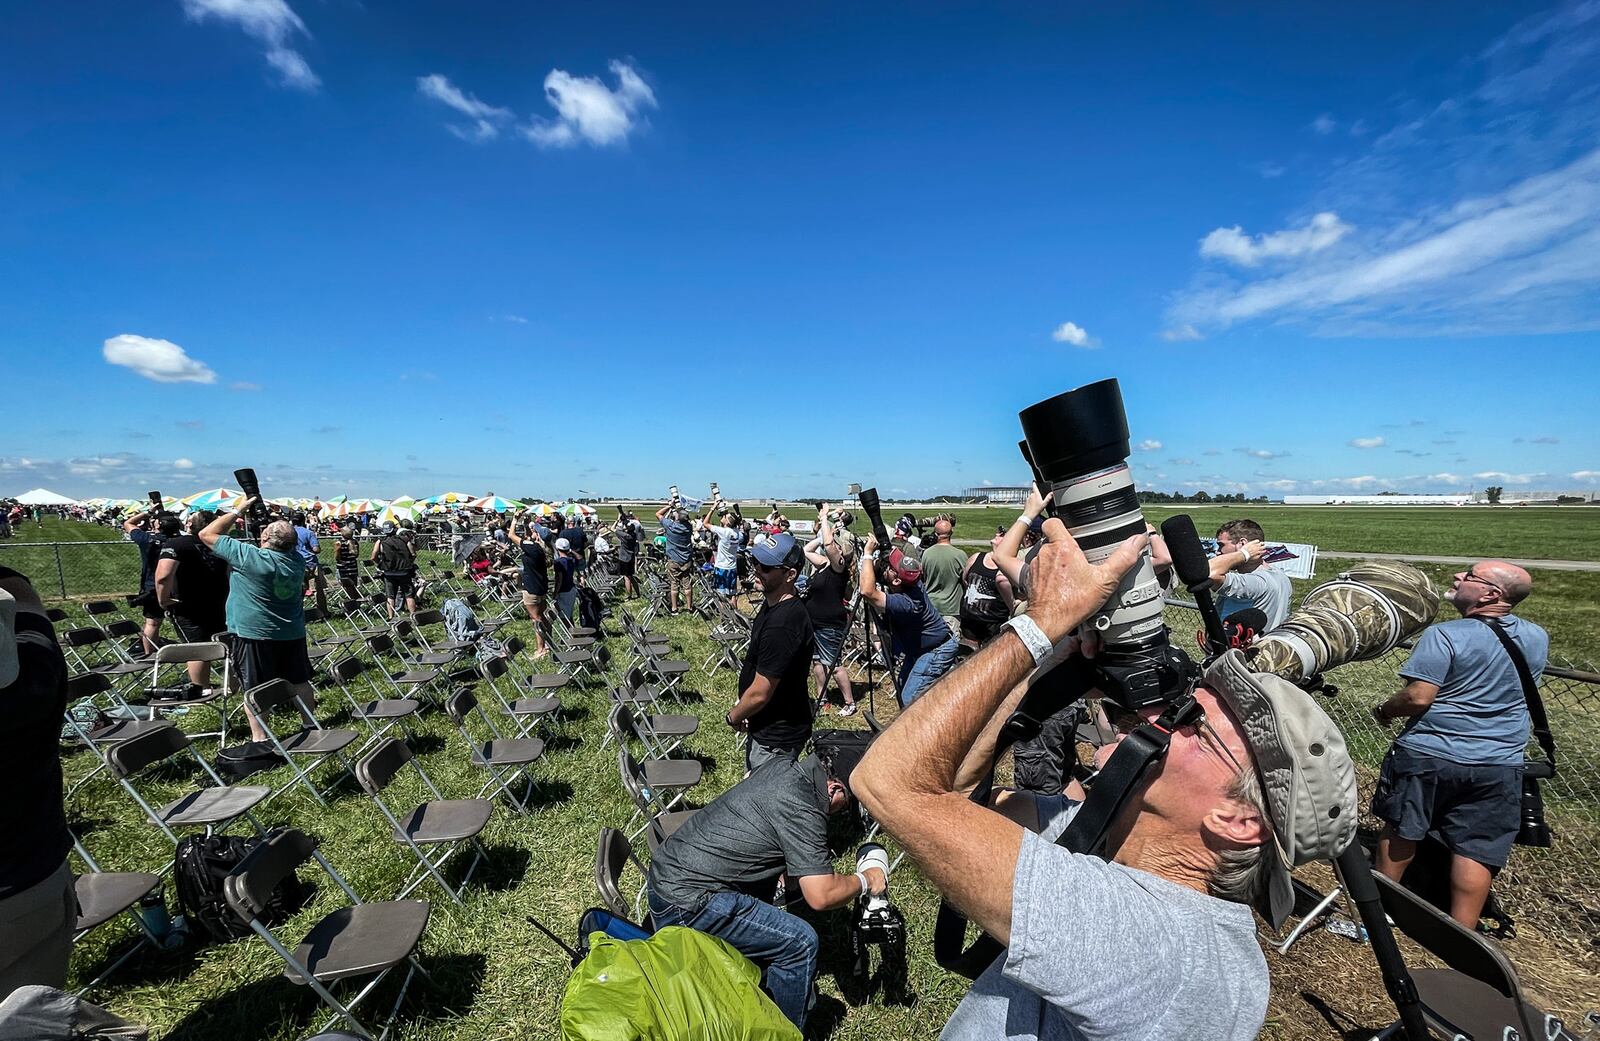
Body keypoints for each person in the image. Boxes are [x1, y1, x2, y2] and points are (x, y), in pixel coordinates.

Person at [850, 518, 1359, 1041]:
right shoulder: (1109, 835)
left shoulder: (1163, 948)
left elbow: (890, 783)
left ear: (1236, 820)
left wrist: (1039, 623)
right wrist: (1049, 670)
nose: (1156, 717)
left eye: (1191, 721)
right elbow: (956, 795)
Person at [645, 745, 886, 1029]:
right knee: (800, 942)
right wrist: (866, 880)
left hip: (669, 874)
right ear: (833, 787)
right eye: (847, 803)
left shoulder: (784, 766)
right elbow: (822, 895)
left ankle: (759, 990)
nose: (843, 812)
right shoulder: (803, 806)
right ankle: (783, 1032)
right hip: (686, 904)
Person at [1371, 560, 1549, 928]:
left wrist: (1385, 708)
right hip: (1500, 760)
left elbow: (1418, 697)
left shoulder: (1445, 635)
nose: (1457, 578)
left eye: (1468, 576)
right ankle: (1461, 934)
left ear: (1490, 594)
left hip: (1432, 752)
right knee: (1476, 848)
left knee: (1403, 829)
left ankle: (1382, 912)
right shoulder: (1536, 636)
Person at [0, 566, 74, 995]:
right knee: (32, 1012)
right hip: (28, 879)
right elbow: (29, 615)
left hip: (24, 881)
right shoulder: (33, 686)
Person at [199, 501, 316, 742]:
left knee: (254, 687)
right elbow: (282, 542)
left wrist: (239, 510)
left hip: (254, 633)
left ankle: (260, 737)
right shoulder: (296, 561)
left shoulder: (250, 558)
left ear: (263, 539)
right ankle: (309, 724)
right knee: (299, 680)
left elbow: (206, 533)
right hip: (291, 631)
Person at [727, 532, 816, 768]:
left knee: (763, 798)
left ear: (790, 575)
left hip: (776, 737)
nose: (756, 569)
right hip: (766, 723)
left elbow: (760, 693)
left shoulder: (783, 624)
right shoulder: (773, 605)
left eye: (765, 566)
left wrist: (734, 715)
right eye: (755, 562)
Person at [859, 534, 957, 707]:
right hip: (919, 649)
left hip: (936, 649)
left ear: (897, 580)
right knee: (903, 687)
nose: (886, 566)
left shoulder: (908, 603)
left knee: (909, 699)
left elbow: (867, 591)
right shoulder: (911, 580)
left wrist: (867, 553)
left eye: (889, 567)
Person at [153, 511, 230, 695]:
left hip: (188, 605)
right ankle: (232, 685)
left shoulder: (176, 544)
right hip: (221, 601)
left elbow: (163, 576)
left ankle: (202, 690)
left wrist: (163, 600)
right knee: (225, 645)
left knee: (196, 649)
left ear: (189, 525)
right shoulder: (221, 545)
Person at [803, 504, 857, 716]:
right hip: (815, 622)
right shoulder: (826, 563)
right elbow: (807, 550)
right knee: (817, 662)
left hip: (829, 624)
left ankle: (849, 702)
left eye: (835, 544)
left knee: (834, 664)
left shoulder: (839, 567)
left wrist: (824, 518)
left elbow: (827, 543)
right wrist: (827, 532)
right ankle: (822, 699)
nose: (831, 544)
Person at [1206, 519, 1291, 630]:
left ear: (1243, 544)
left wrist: (1243, 554)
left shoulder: (1256, 581)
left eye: (1221, 545)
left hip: (1242, 646)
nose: (1218, 551)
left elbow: (1208, 572)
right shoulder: (1280, 575)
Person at [123, 508, 178, 654]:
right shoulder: (180, 542)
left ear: (158, 524)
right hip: (177, 587)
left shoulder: (146, 539)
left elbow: (128, 523)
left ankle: (150, 655)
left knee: (152, 623)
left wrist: (148, 512)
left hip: (152, 587)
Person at [959, 525, 1017, 647]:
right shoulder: (977, 557)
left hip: (992, 624)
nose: (997, 534)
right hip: (969, 621)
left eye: (1002, 535)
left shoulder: (1009, 567)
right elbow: (965, 580)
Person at [505, 520, 550, 657]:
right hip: (541, 586)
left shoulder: (532, 548)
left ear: (537, 535)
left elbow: (511, 535)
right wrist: (526, 525)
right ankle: (548, 644)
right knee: (544, 617)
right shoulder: (542, 548)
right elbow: (526, 537)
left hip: (531, 588)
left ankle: (540, 649)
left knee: (536, 619)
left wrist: (514, 520)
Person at [920, 516, 968, 636]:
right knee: (950, 645)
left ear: (935, 534)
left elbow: (924, 575)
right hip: (951, 608)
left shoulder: (927, 553)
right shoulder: (960, 555)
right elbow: (966, 580)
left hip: (931, 605)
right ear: (951, 533)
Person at [655, 503, 696, 614]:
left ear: (677, 517)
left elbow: (658, 514)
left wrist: (669, 506)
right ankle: (689, 607)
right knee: (687, 584)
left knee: (674, 585)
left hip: (673, 559)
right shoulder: (689, 527)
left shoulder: (670, 525)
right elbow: (688, 521)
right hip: (686, 559)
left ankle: (674, 608)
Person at [370, 522, 416, 618]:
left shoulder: (380, 542)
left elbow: (373, 556)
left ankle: (391, 617)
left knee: (390, 596)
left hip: (389, 572)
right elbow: (413, 554)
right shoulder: (405, 540)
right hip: (404, 572)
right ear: (394, 529)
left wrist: (380, 564)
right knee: (409, 595)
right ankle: (414, 616)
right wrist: (409, 563)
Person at [700, 505, 745, 600]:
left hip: (721, 567)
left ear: (728, 522)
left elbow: (705, 523)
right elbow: (736, 522)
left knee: (719, 595)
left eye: (725, 516)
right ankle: (734, 612)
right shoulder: (736, 533)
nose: (723, 517)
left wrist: (712, 508)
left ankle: (723, 613)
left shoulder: (724, 532)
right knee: (732, 594)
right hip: (732, 567)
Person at [291, 511, 327, 617]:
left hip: (295, 564)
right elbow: (316, 549)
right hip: (310, 564)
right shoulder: (308, 533)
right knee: (317, 589)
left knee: (298, 590)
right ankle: (322, 612)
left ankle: (297, 612)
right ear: (303, 521)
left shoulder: (289, 533)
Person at [611, 511, 643, 599]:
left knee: (626, 578)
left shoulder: (624, 536)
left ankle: (629, 595)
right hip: (631, 558)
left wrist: (618, 519)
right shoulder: (633, 534)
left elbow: (612, 528)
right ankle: (638, 593)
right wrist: (625, 521)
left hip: (624, 558)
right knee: (631, 576)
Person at [552, 537, 579, 624]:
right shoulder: (572, 560)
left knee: (564, 616)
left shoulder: (558, 562)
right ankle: (572, 632)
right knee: (569, 614)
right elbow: (579, 557)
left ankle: (569, 634)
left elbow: (559, 579)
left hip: (563, 590)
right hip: (571, 588)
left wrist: (555, 593)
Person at [334, 526, 360, 600]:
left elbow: (337, 557)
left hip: (343, 568)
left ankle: (351, 601)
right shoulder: (355, 542)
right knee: (354, 585)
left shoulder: (339, 543)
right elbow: (356, 555)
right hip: (353, 567)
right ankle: (356, 600)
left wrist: (340, 560)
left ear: (342, 533)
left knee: (347, 586)